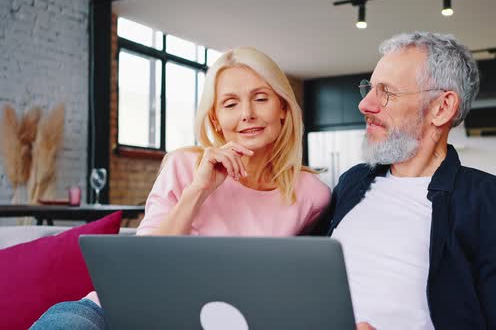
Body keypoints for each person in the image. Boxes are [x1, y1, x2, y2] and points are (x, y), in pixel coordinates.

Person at [31, 47, 330, 329]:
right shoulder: (186, 165)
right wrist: (198, 191)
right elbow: (140, 265)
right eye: (230, 103)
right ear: (216, 118)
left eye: (261, 98)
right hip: (112, 309)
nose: (246, 113)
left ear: (283, 108)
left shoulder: (310, 193)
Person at [314, 32, 496, 330]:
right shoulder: (352, 182)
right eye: (368, 88)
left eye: (386, 92)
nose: (364, 105)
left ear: (441, 108)